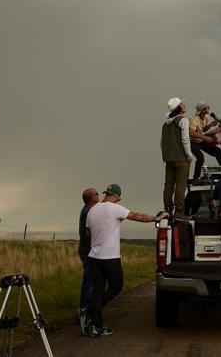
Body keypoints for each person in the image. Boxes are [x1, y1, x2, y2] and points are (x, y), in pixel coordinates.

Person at [85, 184, 167, 337]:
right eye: (118, 198)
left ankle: (96, 326)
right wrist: (156, 218)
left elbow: (88, 233)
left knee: (98, 289)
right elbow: (137, 216)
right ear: (116, 196)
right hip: (109, 257)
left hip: (94, 256)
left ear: (106, 193)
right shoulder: (115, 208)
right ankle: (91, 311)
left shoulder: (92, 210)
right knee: (116, 286)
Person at [162, 96, 192, 218]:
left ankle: (168, 210)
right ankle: (179, 213)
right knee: (181, 186)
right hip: (181, 158)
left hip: (169, 159)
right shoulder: (183, 120)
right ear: (179, 108)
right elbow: (185, 139)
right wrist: (189, 155)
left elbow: (162, 142)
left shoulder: (166, 123)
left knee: (168, 186)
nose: (184, 105)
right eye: (182, 104)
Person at [77, 187, 99, 335]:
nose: (98, 196)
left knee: (92, 280)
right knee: (89, 281)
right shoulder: (88, 212)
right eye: (96, 194)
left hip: (86, 249)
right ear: (91, 198)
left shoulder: (88, 210)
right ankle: (84, 310)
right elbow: (89, 234)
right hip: (88, 250)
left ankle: (87, 309)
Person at [188, 100, 221, 180]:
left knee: (218, 151)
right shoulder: (193, 119)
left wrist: (210, 125)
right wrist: (205, 137)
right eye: (207, 107)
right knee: (200, 157)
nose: (209, 108)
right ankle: (196, 178)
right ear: (203, 110)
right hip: (193, 142)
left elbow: (203, 129)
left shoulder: (206, 117)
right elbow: (191, 133)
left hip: (201, 141)